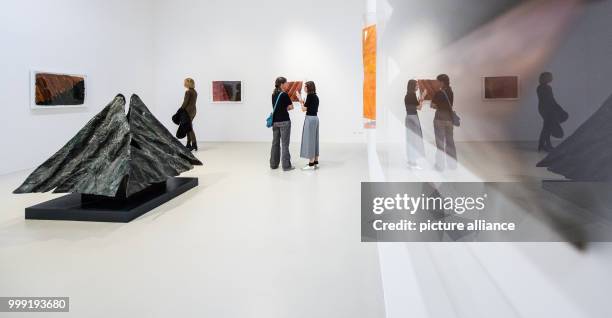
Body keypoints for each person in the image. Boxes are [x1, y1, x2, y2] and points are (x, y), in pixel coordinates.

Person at [431, 74, 457, 171]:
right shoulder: (451, 92)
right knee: (450, 143)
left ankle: (440, 166)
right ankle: (453, 166)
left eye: (437, 81)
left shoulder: (439, 93)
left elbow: (432, 105)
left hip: (439, 120)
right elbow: (449, 105)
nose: (437, 83)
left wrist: (438, 106)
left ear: (442, 82)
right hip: (449, 120)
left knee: (440, 143)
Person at [270, 77, 295, 171]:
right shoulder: (284, 94)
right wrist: (285, 108)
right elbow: (291, 107)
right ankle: (286, 166)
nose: (287, 84)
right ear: (281, 84)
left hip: (275, 122)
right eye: (286, 83)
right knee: (285, 144)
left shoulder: (273, 94)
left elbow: (276, 107)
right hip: (284, 121)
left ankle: (273, 164)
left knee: (275, 143)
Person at [537, 72, 566, 152]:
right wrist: (557, 108)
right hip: (546, 109)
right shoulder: (544, 88)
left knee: (546, 127)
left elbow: (551, 100)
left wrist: (558, 108)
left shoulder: (544, 87)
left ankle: (542, 145)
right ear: (546, 78)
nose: (552, 78)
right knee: (547, 127)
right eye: (550, 77)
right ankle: (546, 145)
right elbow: (549, 100)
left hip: (545, 109)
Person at [297, 81, 320, 170]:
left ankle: (311, 164)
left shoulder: (310, 96)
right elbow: (309, 107)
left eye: (305, 87)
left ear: (309, 87)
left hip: (310, 119)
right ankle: (315, 162)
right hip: (316, 119)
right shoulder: (315, 96)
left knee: (310, 140)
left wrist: (299, 100)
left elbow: (304, 109)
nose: (304, 88)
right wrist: (303, 101)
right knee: (315, 140)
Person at [405, 80, 426, 169]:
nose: (417, 86)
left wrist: (419, 99)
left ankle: (411, 161)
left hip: (409, 117)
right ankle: (413, 163)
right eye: (416, 85)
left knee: (410, 140)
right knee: (414, 140)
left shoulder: (408, 95)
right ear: (412, 86)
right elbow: (419, 107)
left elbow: (413, 106)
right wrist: (423, 97)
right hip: (413, 118)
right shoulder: (412, 95)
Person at [181, 78, 198, 151]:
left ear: (187, 83)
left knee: (189, 128)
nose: (184, 83)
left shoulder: (188, 92)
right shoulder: (194, 92)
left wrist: (180, 109)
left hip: (188, 112)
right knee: (188, 127)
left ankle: (194, 144)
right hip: (193, 111)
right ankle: (188, 143)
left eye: (185, 82)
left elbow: (185, 103)